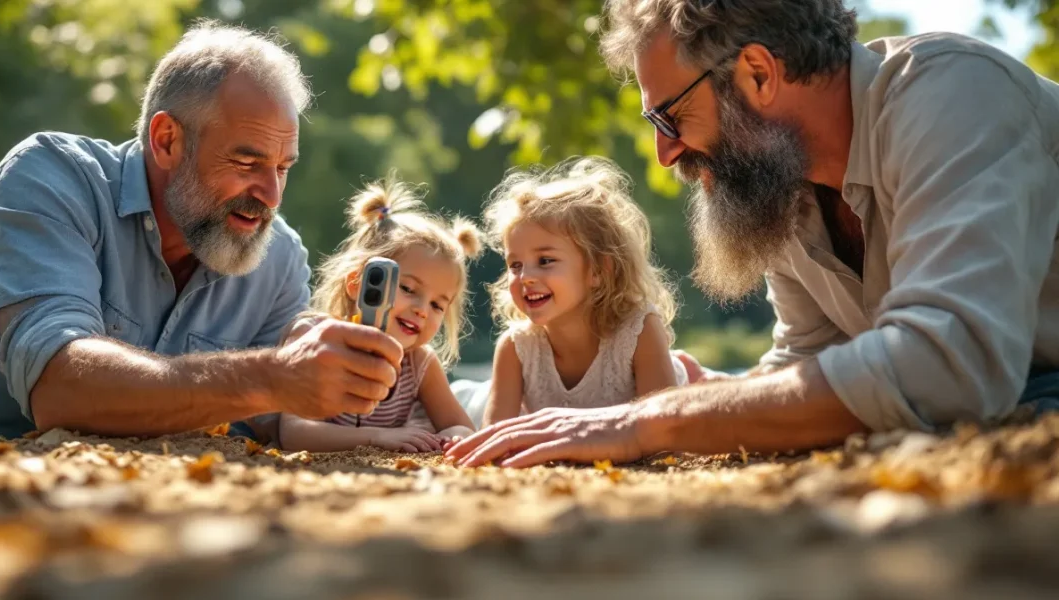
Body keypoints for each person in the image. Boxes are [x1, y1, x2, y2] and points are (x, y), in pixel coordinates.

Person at [447, 0, 1059, 468]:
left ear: (759, 74)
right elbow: (809, 357)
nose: (664, 152)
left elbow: (947, 362)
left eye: (670, 115)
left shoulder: (954, 94)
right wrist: (730, 393)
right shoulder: (781, 180)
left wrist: (656, 419)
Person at [0, 20, 403, 442]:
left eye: (283, 168)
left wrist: (366, 383)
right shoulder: (49, 178)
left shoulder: (279, 259)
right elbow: (58, 387)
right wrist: (271, 376)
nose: (271, 194)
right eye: (247, 162)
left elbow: (278, 419)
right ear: (167, 140)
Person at [479, 156, 687, 427]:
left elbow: (662, 430)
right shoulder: (515, 347)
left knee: (700, 383)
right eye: (515, 265)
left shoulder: (639, 332)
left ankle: (689, 367)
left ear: (598, 270)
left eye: (545, 261)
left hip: (678, 394)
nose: (525, 277)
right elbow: (494, 432)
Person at [278, 176, 481, 452]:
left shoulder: (419, 363)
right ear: (357, 283)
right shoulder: (313, 338)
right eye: (408, 288)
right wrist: (376, 437)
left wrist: (454, 437)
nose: (422, 310)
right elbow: (294, 433)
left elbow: (460, 426)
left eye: (437, 305)